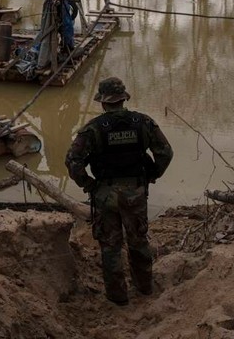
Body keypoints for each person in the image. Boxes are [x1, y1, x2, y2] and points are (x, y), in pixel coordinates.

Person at [65, 77, 173, 305]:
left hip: (105, 194)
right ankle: (144, 288)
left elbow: (73, 161)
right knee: (138, 241)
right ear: (123, 99)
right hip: (135, 191)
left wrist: (89, 184)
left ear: (103, 102)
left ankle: (118, 297)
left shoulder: (93, 128)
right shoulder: (143, 122)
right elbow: (165, 152)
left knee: (110, 246)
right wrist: (152, 175)